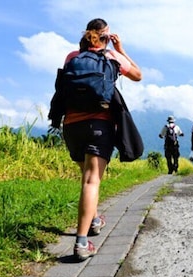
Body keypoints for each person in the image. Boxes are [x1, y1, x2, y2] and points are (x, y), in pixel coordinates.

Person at [61, 18, 142, 261]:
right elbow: (138, 75)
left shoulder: (71, 56)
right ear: (106, 37)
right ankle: (82, 243)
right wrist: (121, 50)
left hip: (71, 125)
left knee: (85, 177)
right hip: (99, 123)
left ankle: (95, 219)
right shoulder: (111, 57)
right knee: (91, 181)